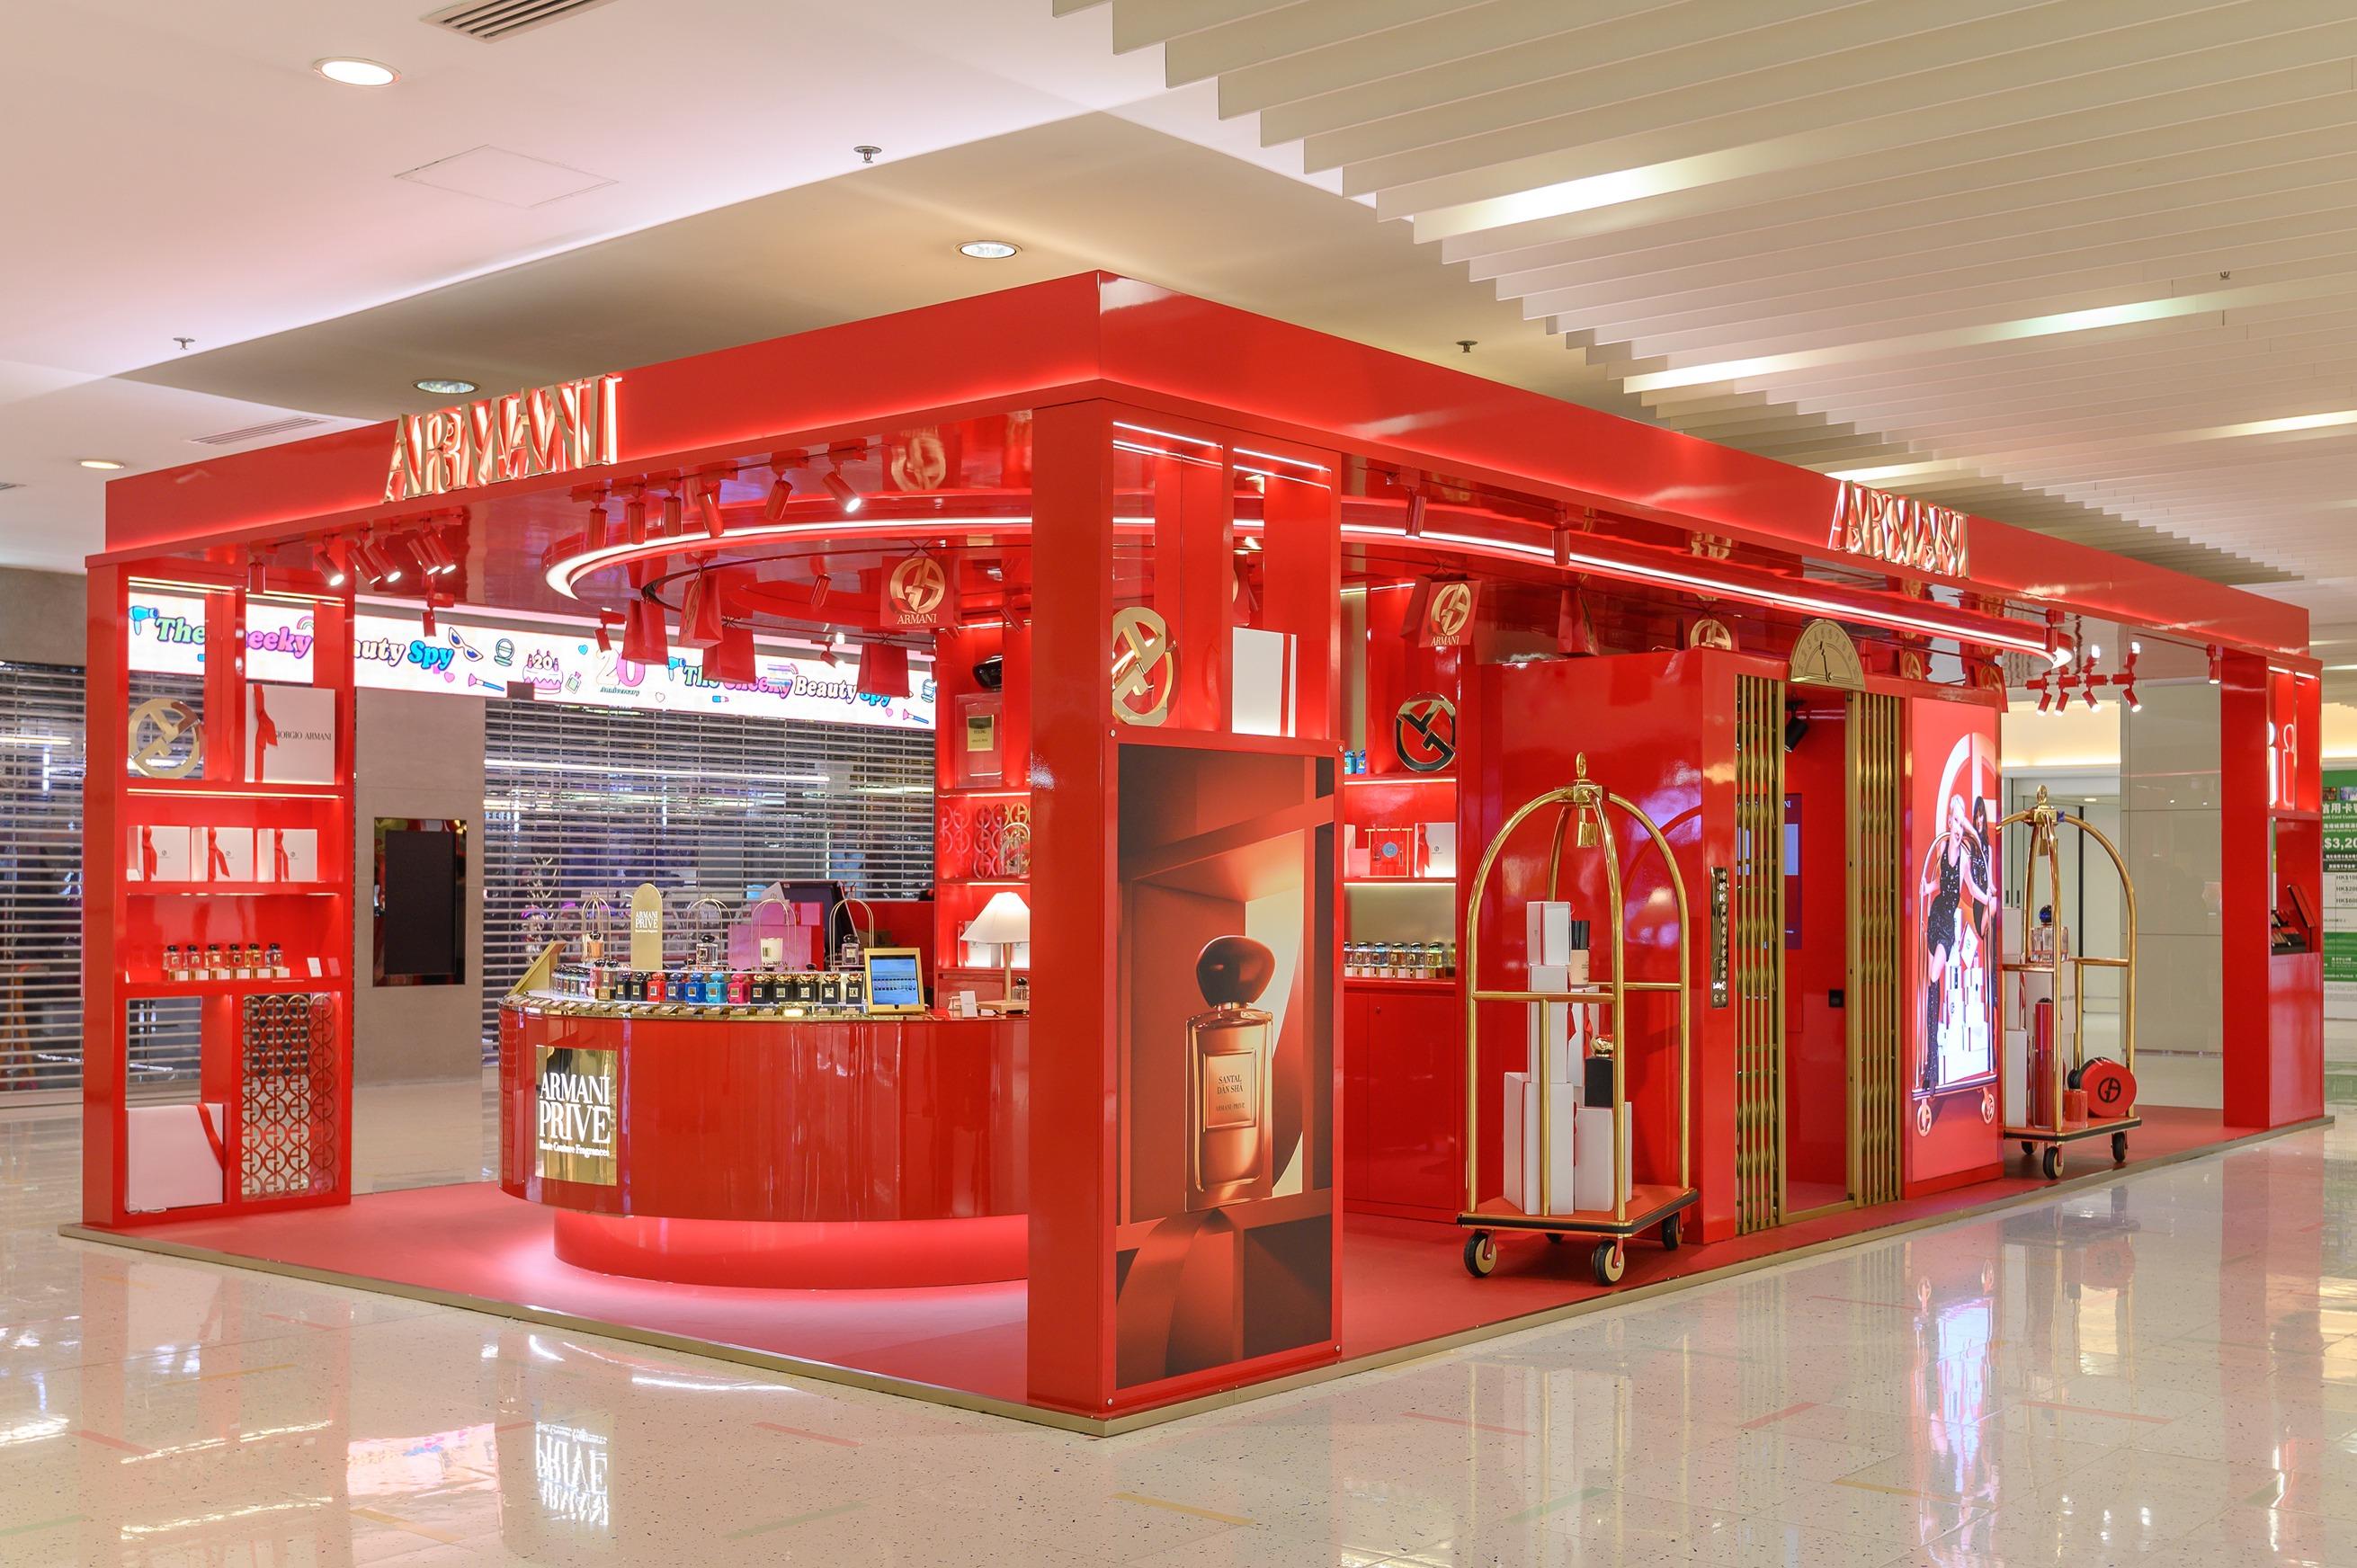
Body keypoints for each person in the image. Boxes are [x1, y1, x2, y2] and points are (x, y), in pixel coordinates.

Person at [1920, 792, 1995, 1093]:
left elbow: (1972, 889)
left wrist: (1989, 897)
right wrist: (1927, 887)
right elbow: (1939, 884)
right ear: (1948, 821)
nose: (1957, 827)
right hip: (1935, 914)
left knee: (1934, 974)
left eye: (1960, 822)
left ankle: (1932, 1067)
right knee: (1932, 987)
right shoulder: (1941, 850)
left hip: (1947, 926)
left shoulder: (1964, 858)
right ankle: (1932, 1066)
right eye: (1954, 820)